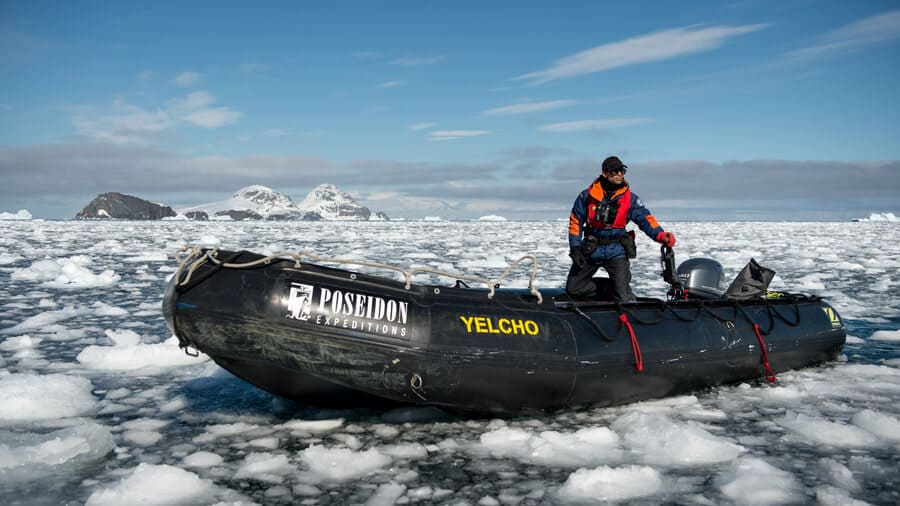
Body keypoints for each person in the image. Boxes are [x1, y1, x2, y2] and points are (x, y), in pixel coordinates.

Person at [566, 156, 676, 301]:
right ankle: (611, 288)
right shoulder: (586, 196)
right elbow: (575, 221)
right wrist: (575, 248)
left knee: (623, 296)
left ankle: (620, 291)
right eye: (615, 171)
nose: (619, 174)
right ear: (605, 173)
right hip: (591, 249)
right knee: (574, 289)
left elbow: (645, 219)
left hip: (616, 250)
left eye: (622, 171)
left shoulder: (630, 198)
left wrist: (661, 235)